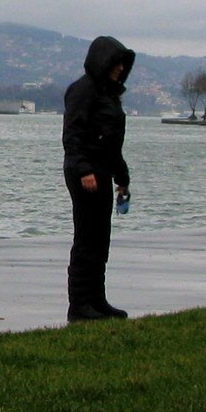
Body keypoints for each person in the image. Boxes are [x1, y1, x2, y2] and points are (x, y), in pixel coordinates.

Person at [62, 35, 135, 323]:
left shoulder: (109, 95)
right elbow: (72, 135)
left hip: (103, 171)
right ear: (101, 62)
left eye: (122, 64)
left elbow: (111, 143)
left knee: (100, 239)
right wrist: (83, 171)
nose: (120, 69)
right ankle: (79, 305)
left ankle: (96, 300)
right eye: (116, 63)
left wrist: (122, 177)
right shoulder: (82, 91)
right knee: (86, 238)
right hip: (85, 173)